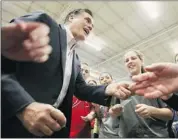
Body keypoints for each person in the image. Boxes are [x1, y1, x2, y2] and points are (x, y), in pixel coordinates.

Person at [2, 9, 132, 138]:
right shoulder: (44, 23)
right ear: (71, 17)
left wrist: (108, 89)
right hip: (15, 124)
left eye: (92, 25)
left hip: (50, 129)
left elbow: (81, 89)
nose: (90, 26)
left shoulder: (75, 60)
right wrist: (23, 106)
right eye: (87, 20)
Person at [110, 50, 173, 138]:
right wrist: (114, 112)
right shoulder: (120, 86)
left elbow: (170, 114)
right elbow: (112, 113)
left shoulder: (155, 82)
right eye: (126, 60)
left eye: (133, 58)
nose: (130, 61)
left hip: (156, 135)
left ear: (142, 61)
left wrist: (152, 111)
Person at [69, 63, 96, 138]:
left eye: (86, 71)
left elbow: (93, 108)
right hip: (68, 129)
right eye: (81, 70)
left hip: (84, 130)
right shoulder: (68, 87)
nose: (83, 73)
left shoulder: (90, 90)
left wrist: (91, 114)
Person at [96, 72, 121, 138]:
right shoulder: (99, 98)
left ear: (112, 80)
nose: (105, 80)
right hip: (103, 133)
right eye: (102, 79)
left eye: (107, 77)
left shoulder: (119, 94)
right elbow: (100, 117)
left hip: (117, 133)